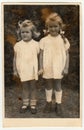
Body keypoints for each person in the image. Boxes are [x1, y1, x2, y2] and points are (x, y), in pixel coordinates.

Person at [39, 13, 70, 116]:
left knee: (57, 85)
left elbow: (67, 54)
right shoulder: (44, 40)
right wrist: (41, 67)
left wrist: (65, 67)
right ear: (47, 27)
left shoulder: (63, 40)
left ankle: (58, 104)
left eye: (55, 26)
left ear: (60, 27)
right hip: (47, 66)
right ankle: (48, 103)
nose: (53, 29)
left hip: (58, 66)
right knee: (48, 85)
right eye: (50, 26)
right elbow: (41, 55)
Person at [13, 19, 40, 114]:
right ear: (20, 33)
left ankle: (33, 105)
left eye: (27, 32)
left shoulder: (37, 44)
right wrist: (15, 70)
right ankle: (25, 104)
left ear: (32, 33)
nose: (25, 34)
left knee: (32, 87)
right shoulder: (18, 45)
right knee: (25, 87)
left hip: (33, 70)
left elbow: (40, 58)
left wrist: (40, 69)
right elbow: (15, 58)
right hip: (23, 69)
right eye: (22, 32)